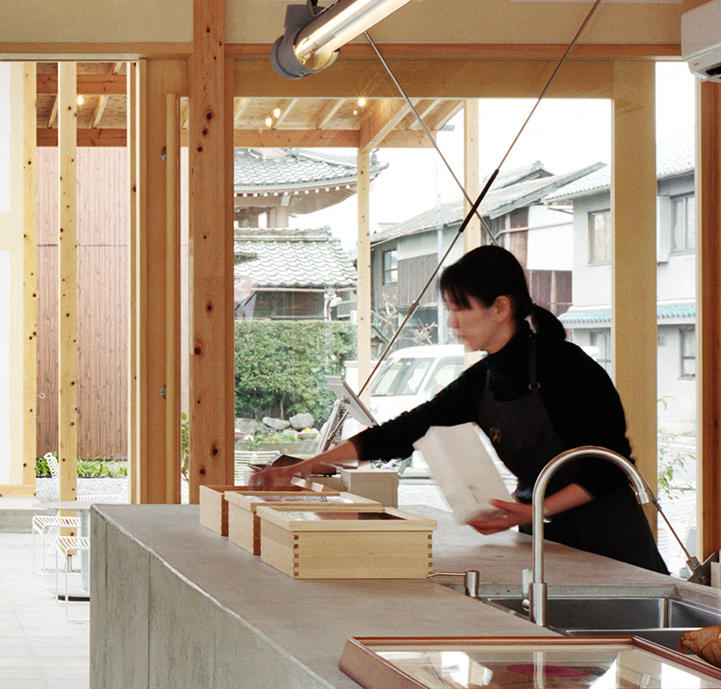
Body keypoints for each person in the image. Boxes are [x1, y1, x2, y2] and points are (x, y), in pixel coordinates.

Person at [249, 243, 669, 573]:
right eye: (451, 309)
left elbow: (609, 465)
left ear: (501, 307)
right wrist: (297, 469)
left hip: (610, 542)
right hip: (544, 542)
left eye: (460, 308)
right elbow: (403, 430)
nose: (452, 322)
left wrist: (531, 509)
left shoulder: (568, 367)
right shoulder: (484, 378)